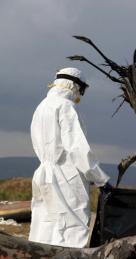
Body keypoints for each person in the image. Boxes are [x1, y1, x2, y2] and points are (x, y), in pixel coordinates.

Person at [29, 67, 112, 248]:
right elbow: (77, 149)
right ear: (75, 86)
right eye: (81, 89)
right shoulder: (66, 107)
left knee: (45, 222)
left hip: (43, 173)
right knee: (71, 223)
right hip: (66, 175)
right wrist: (100, 179)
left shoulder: (41, 106)